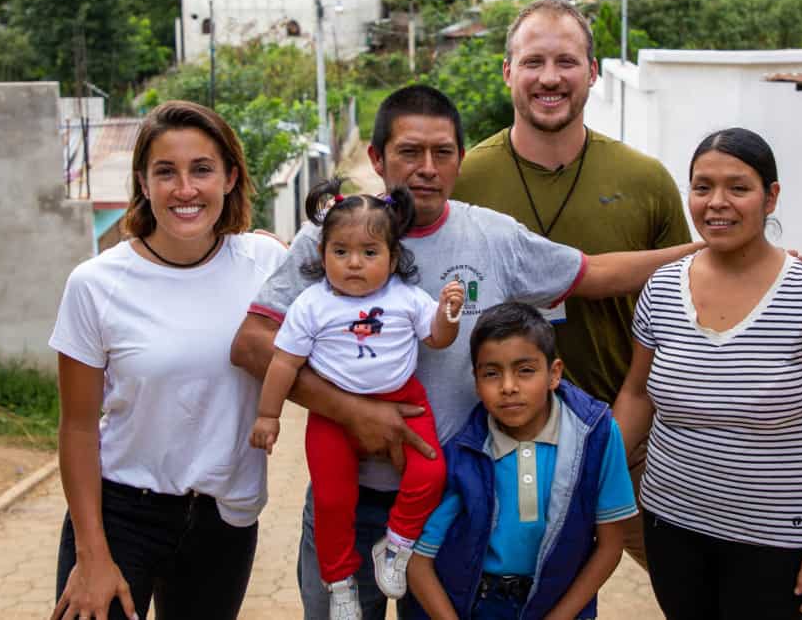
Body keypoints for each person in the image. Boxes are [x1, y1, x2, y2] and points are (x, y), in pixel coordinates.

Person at [230, 85, 701, 619]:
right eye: (410, 152)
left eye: (443, 153)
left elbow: (596, 273)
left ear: (460, 159)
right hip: (348, 498)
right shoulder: (333, 237)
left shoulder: (492, 236)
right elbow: (252, 343)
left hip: (448, 508)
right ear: (378, 158)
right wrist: (354, 412)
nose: (427, 168)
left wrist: (710, 251)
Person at [451, 0, 692, 567]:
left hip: (625, 441)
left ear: (592, 72)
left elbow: (688, 300)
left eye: (567, 61)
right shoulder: (463, 181)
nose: (550, 78)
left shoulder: (645, 181)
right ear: (508, 71)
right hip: (493, 443)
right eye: (533, 62)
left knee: (687, 585)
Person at [613, 128, 802, 619]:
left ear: (771, 197)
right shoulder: (663, 289)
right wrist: (593, 475)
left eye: (739, 187)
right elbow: (637, 394)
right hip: (670, 522)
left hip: (775, 537)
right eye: (702, 187)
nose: (717, 203)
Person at [48, 101, 288, 620]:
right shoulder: (95, 285)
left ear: (229, 177)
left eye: (201, 169)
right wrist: (91, 554)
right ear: (143, 181)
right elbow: (78, 429)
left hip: (223, 520)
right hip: (119, 515)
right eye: (165, 172)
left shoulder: (267, 265)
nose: (184, 189)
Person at [249, 178, 464, 619]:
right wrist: (267, 416)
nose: (353, 264)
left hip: (407, 399)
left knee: (432, 472)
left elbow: (439, 340)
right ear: (321, 254)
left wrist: (448, 312)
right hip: (333, 415)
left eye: (369, 253)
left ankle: (397, 544)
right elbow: (283, 365)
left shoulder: (406, 298)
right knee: (332, 500)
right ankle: (340, 580)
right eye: (340, 251)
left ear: (393, 257)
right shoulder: (311, 304)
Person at [407, 302, 637, 620]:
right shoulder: (464, 453)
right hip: (480, 606)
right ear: (476, 381)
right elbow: (419, 562)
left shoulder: (595, 435)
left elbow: (610, 545)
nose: (509, 387)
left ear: (554, 373)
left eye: (525, 370)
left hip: (563, 605)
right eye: (491, 374)